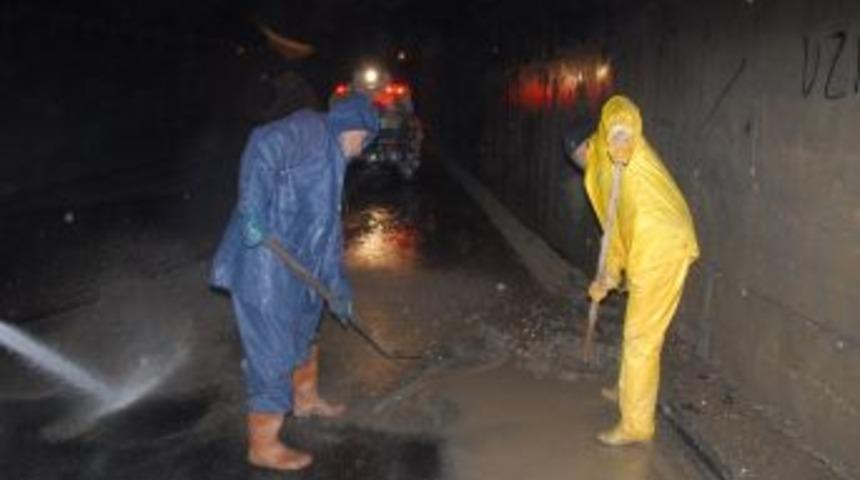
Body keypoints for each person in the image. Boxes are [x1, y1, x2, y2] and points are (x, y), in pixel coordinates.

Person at [210, 93, 379, 471]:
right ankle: (263, 443)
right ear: (351, 124)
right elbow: (263, 146)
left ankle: (305, 399)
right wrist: (252, 208)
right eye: (363, 137)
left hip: (298, 269)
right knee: (272, 350)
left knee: (304, 331)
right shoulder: (310, 129)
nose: (362, 147)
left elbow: (327, 235)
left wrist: (337, 287)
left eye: (367, 141)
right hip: (264, 261)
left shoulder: (335, 162)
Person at [568, 95, 700, 446]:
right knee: (636, 330)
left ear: (585, 145)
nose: (575, 163)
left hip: (663, 242)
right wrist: (607, 278)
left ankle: (637, 425)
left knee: (642, 339)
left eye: (575, 156)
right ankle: (627, 389)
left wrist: (621, 133)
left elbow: (619, 108)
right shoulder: (596, 177)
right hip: (645, 246)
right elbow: (613, 235)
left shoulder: (614, 143)